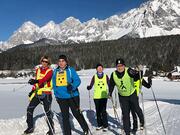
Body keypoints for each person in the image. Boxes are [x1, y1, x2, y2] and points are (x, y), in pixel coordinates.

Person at [52, 55, 89, 135]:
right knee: (65, 117)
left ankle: (85, 129)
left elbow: (77, 80)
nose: (61, 63)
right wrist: (56, 95)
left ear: (66, 62)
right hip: (61, 98)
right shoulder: (55, 71)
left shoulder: (70, 70)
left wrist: (72, 86)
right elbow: (54, 85)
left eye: (63, 61)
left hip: (72, 96)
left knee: (76, 114)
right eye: (60, 61)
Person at [109, 58, 144, 135]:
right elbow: (111, 84)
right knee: (125, 115)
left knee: (136, 109)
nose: (119, 67)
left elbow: (137, 77)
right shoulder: (114, 74)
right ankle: (127, 132)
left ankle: (142, 121)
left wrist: (140, 71)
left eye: (121, 65)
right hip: (122, 97)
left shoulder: (129, 71)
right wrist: (110, 92)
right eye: (118, 66)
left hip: (132, 94)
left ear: (124, 66)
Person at [24, 56, 54, 135]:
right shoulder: (38, 70)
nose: (44, 63)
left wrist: (36, 81)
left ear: (48, 63)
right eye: (43, 61)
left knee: (47, 112)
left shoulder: (50, 71)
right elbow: (36, 83)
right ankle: (30, 127)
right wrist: (32, 90)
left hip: (46, 94)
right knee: (29, 109)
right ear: (41, 61)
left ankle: (51, 129)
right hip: (38, 93)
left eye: (46, 62)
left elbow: (45, 79)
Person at [87, 63, 109, 131]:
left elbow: (109, 84)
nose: (100, 69)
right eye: (98, 68)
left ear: (102, 69)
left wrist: (111, 89)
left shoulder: (106, 76)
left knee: (103, 111)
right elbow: (91, 84)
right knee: (98, 111)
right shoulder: (94, 77)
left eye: (101, 68)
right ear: (96, 69)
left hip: (104, 96)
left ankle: (105, 125)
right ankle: (100, 125)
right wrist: (89, 87)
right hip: (96, 97)